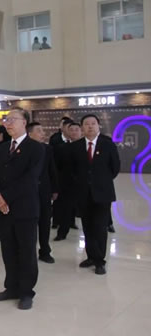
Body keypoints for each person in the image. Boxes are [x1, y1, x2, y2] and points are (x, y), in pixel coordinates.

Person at [0, 107, 44, 310]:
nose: (8, 123)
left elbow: (30, 178)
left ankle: (26, 292)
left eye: (13, 119)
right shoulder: (1, 148)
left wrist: (5, 197)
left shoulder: (36, 148)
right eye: (7, 119)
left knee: (26, 251)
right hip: (2, 209)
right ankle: (11, 287)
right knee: (8, 250)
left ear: (24, 123)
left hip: (25, 208)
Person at [70, 114, 120, 275]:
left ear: (99, 126)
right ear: (82, 127)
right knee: (87, 227)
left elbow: (115, 167)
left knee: (100, 227)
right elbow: (73, 170)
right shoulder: (76, 146)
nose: (90, 126)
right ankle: (91, 256)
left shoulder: (108, 144)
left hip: (102, 193)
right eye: (87, 124)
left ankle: (100, 260)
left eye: (93, 123)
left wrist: (101, 181)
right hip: (83, 193)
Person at [27, 122, 58, 263]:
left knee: (45, 221)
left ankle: (45, 251)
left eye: (42, 130)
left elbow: (52, 169)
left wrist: (55, 189)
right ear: (30, 134)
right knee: (29, 223)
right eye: (39, 131)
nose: (42, 133)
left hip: (44, 191)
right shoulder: (23, 149)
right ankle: (29, 252)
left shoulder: (47, 149)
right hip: (27, 192)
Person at [55, 122, 82, 240]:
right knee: (66, 209)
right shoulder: (61, 148)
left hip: (84, 184)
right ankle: (62, 233)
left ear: (81, 132)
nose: (74, 132)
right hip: (67, 184)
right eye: (72, 130)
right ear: (67, 132)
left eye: (77, 130)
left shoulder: (86, 147)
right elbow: (57, 167)